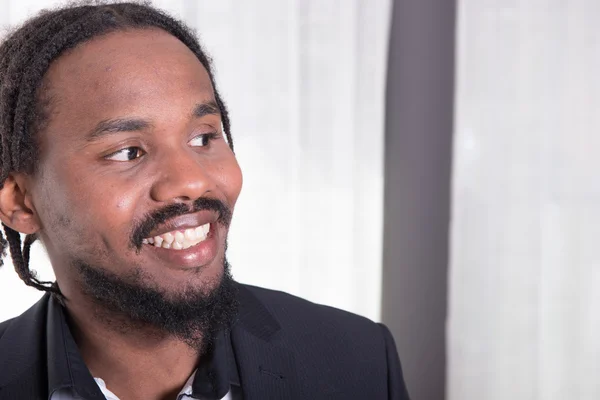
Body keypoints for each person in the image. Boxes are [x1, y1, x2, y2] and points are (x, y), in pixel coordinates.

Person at [0, 2, 409, 399]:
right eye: (128, 152)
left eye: (203, 137)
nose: (193, 181)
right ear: (21, 204)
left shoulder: (359, 361)